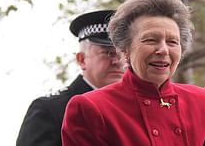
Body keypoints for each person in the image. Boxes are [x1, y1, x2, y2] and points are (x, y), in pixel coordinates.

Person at [62, 0, 205, 146]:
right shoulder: (91, 108)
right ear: (125, 49)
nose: (163, 50)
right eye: (150, 40)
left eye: (172, 42)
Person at [16, 10, 125, 146]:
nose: (118, 61)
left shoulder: (134, 107)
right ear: (82, 59)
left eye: (122, 54)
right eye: (108, 53)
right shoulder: (50, 109)